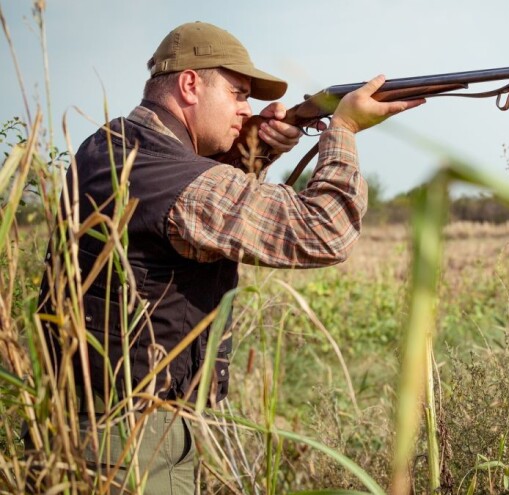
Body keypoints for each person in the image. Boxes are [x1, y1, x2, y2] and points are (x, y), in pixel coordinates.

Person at [38, 21, 424, 494]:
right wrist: (342, 129)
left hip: (86, 427)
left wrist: (253, 150)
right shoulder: (170, 176)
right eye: (239, 94)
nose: (248, 110)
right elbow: (326, 231)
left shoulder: (111, 144)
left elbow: (188, 217)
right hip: (135, 447)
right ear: (190, 84)